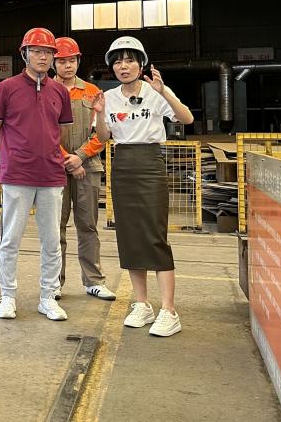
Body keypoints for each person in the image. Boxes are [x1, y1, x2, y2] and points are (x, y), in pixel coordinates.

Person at [92, 36, 194, 337]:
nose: (123, 66)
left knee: (154, 235)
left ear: (141, 64)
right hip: (122, 164)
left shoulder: (156, 91)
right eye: (118, 62)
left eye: (129, 60)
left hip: (150, 163)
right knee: (130, 236)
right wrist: (100, 112)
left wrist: (164, 93)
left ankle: (169, 310)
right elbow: (104, 137)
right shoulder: (108, 97)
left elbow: (186, 118)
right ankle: (142, 304)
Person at [0, 27, 72, 322]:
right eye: (36, 51)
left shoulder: (60, 91)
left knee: (52, 240)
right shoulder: (6, 88)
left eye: (48, 52)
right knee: (10, 239)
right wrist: (11, 155)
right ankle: (7, 296)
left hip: (51, 176)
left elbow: (60, 131)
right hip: (16, 176)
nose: (42, 57)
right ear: (24, 54)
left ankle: (48, 297)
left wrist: (47, 153)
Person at [52, 37, 115, 301]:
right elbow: (43, 131)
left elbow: (101, 132)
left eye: (72, 60)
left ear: (78, 61)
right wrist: (67, 160)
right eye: (62, 61)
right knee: (55, 228)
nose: (67, 65)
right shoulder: (45, 91)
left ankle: (94, 281)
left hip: (88, 167)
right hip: (54, 168)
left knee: (88, 226)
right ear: (54, 63)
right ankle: (53, 282)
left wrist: (79, 157)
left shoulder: (92, 92)